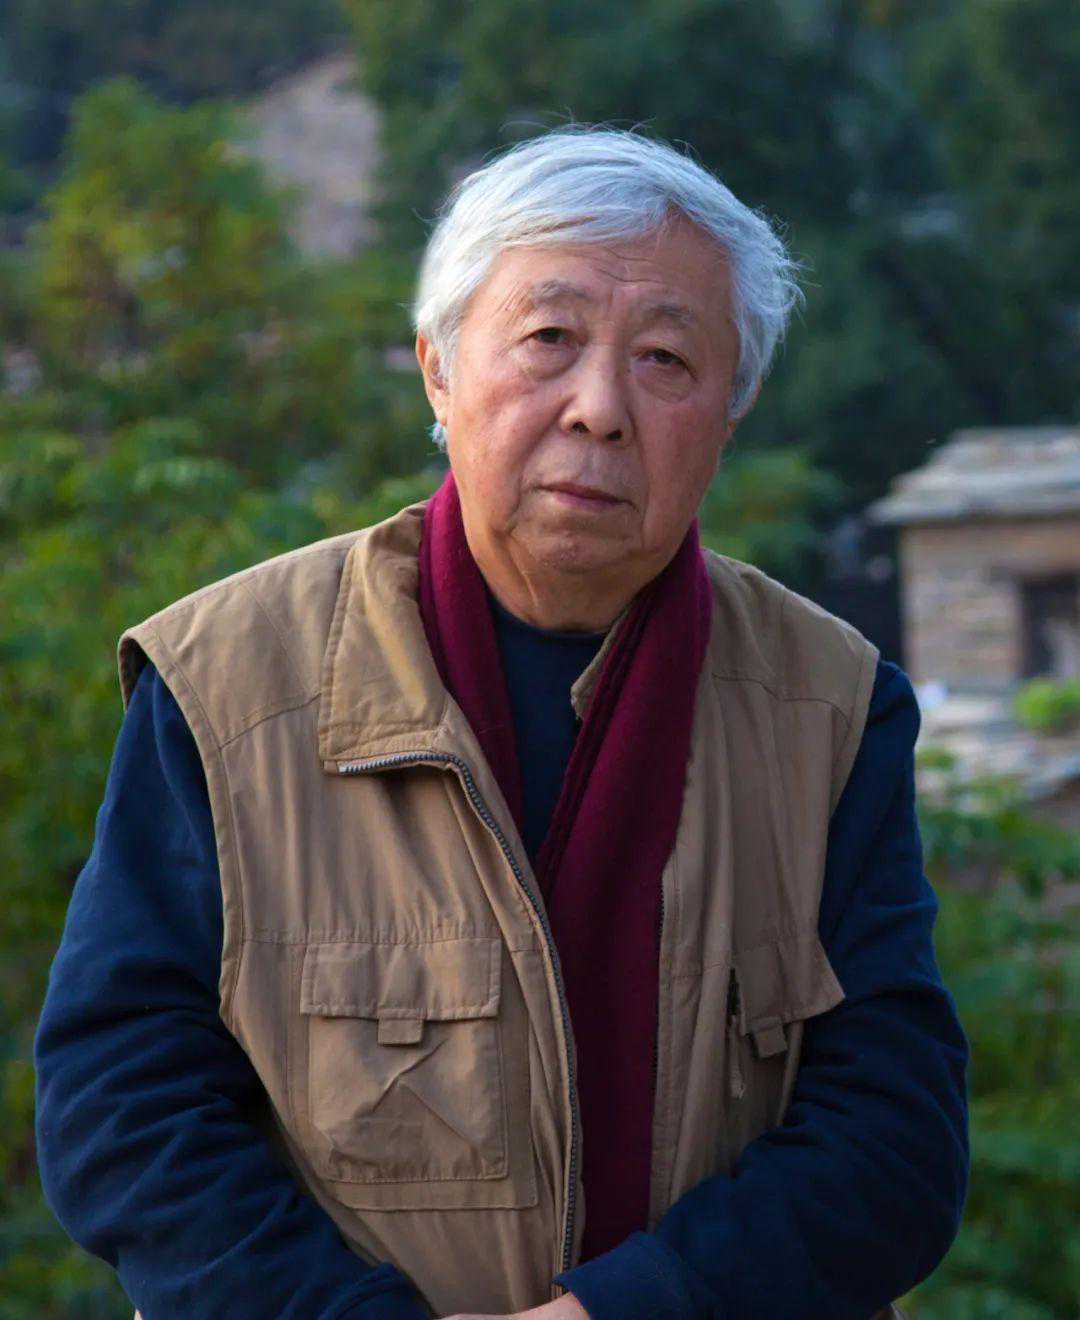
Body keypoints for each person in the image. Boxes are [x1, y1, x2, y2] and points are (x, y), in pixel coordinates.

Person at [35, 128, 970, 1319]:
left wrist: (624, 1311)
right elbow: (122, 1105)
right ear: (437, 368)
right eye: (548, 339)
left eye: (667, 359)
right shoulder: (227, 685)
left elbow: (894, 1137)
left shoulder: (828, 707)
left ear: (730, 414)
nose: (601, 410)